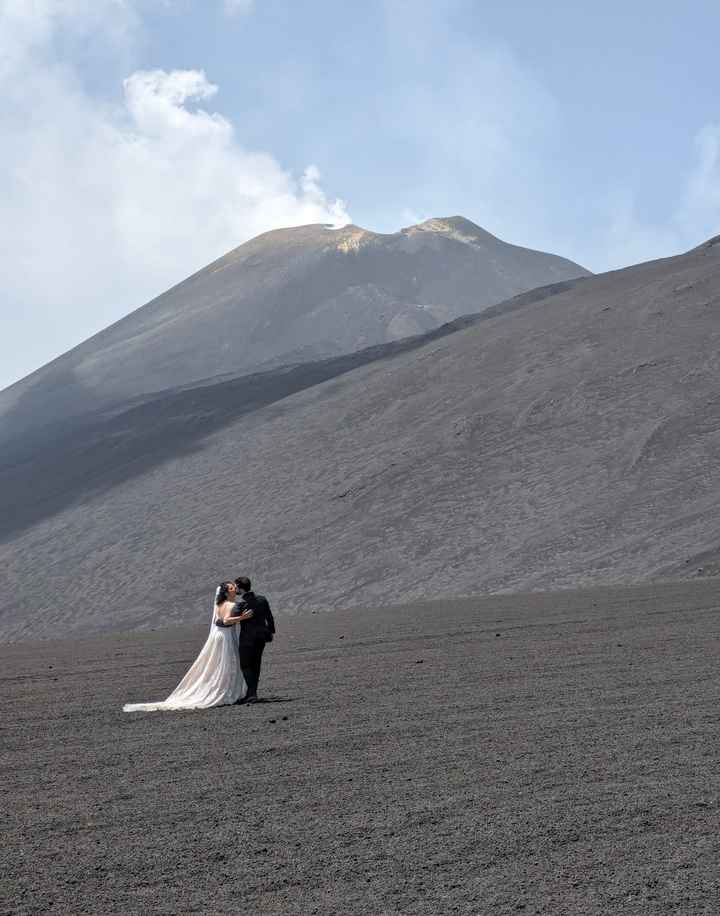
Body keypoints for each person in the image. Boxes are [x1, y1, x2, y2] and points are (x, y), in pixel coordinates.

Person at [123, 582, 252, 712]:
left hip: (219, 635)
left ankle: (223, 689)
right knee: (226, 664)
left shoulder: (219, 604)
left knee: (219, 664)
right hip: (225, 636)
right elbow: (225, 621)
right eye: (231, 588)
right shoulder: (230, 605)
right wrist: (243, 617)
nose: (234, 589)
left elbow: (218, 621)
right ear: (225, 592)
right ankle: (225, 691)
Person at [216, 576, 275, 704]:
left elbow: (228, 622)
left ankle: (252, 694)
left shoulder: (241, 604)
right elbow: (269, 617)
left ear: (240, 588)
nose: (235, 589)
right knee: (256, 665)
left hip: (247, 639)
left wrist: (218, 622)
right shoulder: (262, 599)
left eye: (235, 587)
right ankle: (251, 693)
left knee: (245, 665)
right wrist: (271, 631)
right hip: (261, 637)